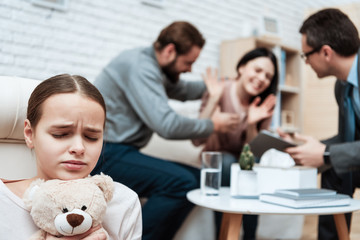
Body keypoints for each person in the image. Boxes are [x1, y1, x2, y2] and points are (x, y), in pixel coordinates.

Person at [91, 21, 240, 240]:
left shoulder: (154, 67)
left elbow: (184, 90)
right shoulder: (140, 67)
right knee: (182, 182)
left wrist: (229, 84)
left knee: (197, 179)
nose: (190, 69)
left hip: (122, 152)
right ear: (170, 51)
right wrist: (213, 125)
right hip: (105, 153)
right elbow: (167, 125)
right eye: (188, 62)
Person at [0, 74, 142, 240]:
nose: (79, 148)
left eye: (91, 137)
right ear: (30, 134)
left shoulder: (122, 202)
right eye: (61, 134)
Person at [278, 8, 360, 240]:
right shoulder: (342, 87)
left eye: (306, 56)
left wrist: (325, 154)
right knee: (334, 169)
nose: (306, 63)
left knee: (331, 160)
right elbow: (349, 140)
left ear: (325, 52)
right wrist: (303, 148)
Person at [193, 47, 278, 239]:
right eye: (257, 70)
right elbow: (196, 139)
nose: (262, 78)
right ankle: (222, 235)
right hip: (216, 164)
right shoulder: (219, 90)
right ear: (241, 68)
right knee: (226, 164)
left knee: (251, 169)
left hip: (242, 166)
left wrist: (250, 125)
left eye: (268, 76)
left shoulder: (263, 104)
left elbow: (252, 154)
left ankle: (249, 236)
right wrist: (214, 100)